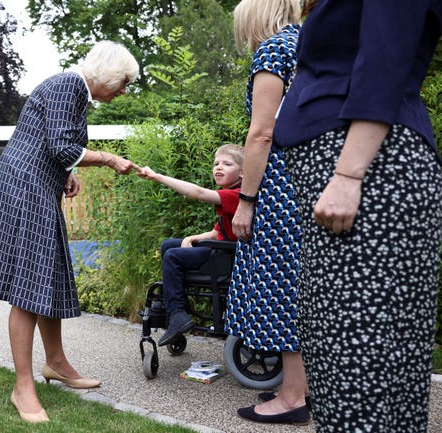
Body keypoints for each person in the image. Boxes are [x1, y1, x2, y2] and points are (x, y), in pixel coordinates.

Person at [273, 2, 442, 432]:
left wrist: (349, 172)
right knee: (352, 359)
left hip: (369, 170)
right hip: (364, 171)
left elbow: (388, 51)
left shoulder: (354, 170)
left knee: (357, 360)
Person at [0, 40, 140, 423]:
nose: (123, 91)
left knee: (50, 276)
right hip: (26, 189)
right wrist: (108, 159)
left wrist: (69, 173)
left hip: (39, 186)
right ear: (108, 75)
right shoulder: (68, 86)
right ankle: (22, 387)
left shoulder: (74, 91)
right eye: (123, 82)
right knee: (29, 285)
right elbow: (62, 145)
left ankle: (57, 363)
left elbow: (53, 143)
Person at [226, 0, 309, 425]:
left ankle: (292, 397)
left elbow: (260, 134)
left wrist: (247, 200)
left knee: (278, 287)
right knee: (304, 287)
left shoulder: (274, 49)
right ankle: (305, 387)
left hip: (277, 189)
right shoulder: (309, 44)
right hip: (309, 181)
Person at [137, 144, 243, 346]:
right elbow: (217, 232)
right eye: (216, 163)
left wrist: (157, 176)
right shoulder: (230, 193)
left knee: (173, 256)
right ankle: (177, 311)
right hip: (222, 250)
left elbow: (199, 193)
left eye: (227, 164)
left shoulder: (236, 195)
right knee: (169, 245)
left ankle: (177, 312)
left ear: (243, 173)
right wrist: (193, 238)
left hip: (226, 259)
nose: (218, 167)